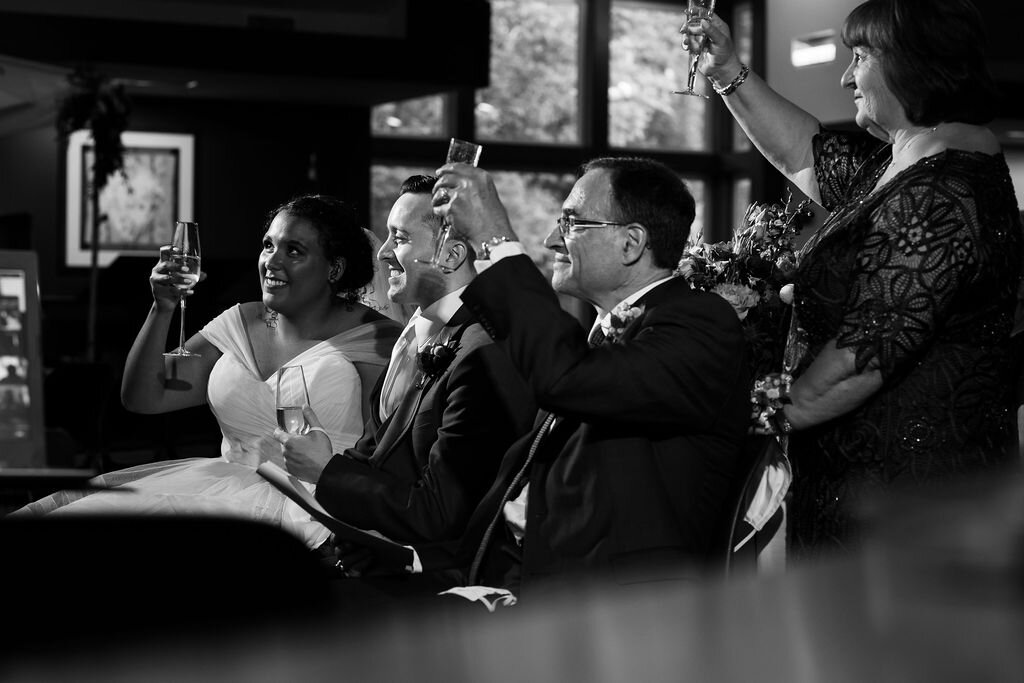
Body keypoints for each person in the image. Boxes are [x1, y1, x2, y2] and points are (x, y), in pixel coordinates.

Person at [682, 0, 1024, 558]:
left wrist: (735, 407)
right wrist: (726, 72)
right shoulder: (899, 168)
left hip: (909, 506)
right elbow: (802, 152)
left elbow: (859, 360)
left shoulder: (940, 194)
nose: (845, 77)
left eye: (860, 57)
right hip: (863, 490)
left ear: (914, 64)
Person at [336, 157, 751, 603]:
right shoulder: (599, 339)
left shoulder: (700, 324)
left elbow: (566, 378)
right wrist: (417, 563)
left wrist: (495, 238)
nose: (552, 240)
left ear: (631, 243)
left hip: (613, 606)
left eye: (571, 223)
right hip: (517, 583)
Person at [12, 195, 403, 548]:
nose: (272, 261)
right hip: (221, 487)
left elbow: (386, 455)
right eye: (268, 245)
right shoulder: (239, 321)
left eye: (294, 250)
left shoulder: (375, 338)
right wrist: (162, 308)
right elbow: (144, 397)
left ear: (334, 268)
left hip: (318, 510)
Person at [275, 176, 535, 548]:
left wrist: (328, 470)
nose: (381, 253)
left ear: (451, 255)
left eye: (399, 238)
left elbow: (440, 513)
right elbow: (376, 454)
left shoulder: (484, 352)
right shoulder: (415, 331)